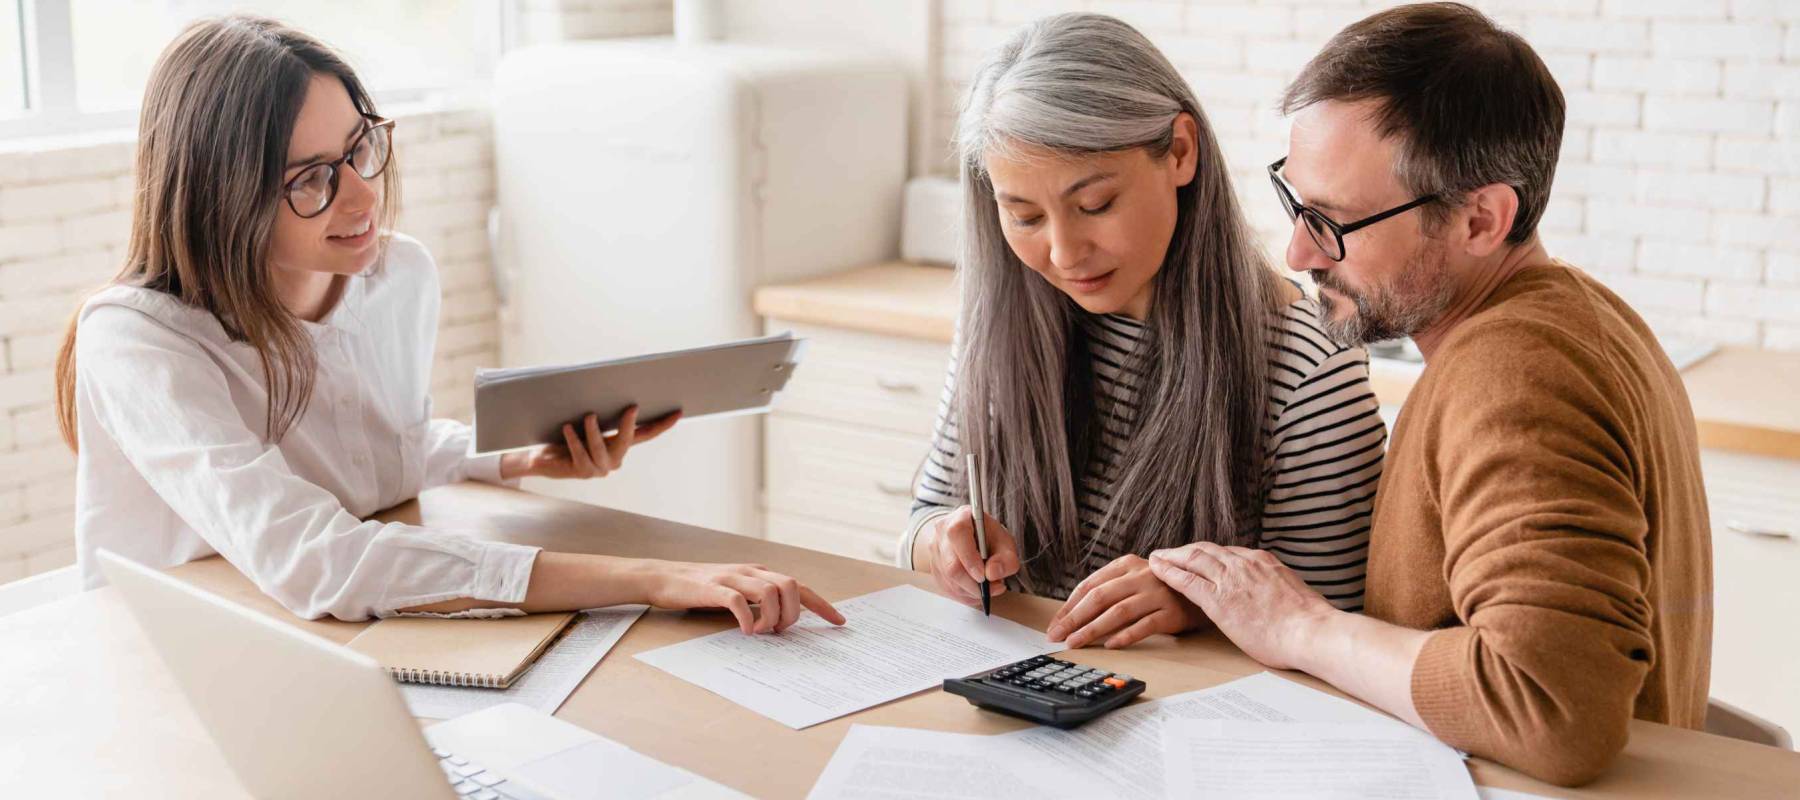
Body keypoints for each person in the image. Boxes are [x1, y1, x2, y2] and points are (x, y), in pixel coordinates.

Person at [55, 15, 844, 633]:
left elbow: (372, 460)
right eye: (312, 181)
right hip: (174, 648)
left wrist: (517, 459)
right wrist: (650, 578)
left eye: (361, 148)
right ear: (217, 195)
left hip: (330, 635)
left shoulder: (397, 278)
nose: (363, 197)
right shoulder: (139, 341)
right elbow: (316, 557)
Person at [1148, 3, 1711, 786]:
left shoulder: (1513, 373)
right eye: (1295, 202)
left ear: (1482, 218)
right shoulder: (1586, 316)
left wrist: (1302, 627)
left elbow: (1554, 710)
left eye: (1334, 220)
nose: (1298, 250)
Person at [900, 13, 1386, 651]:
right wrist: (943, 544)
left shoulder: (1307, 365)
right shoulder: (1001, 322)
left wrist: (1200, 603)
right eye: (1023, 216)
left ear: (1181, 151)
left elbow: (1335, 623)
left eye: (1095, 204)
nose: (1065, 253)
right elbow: (920, 522)